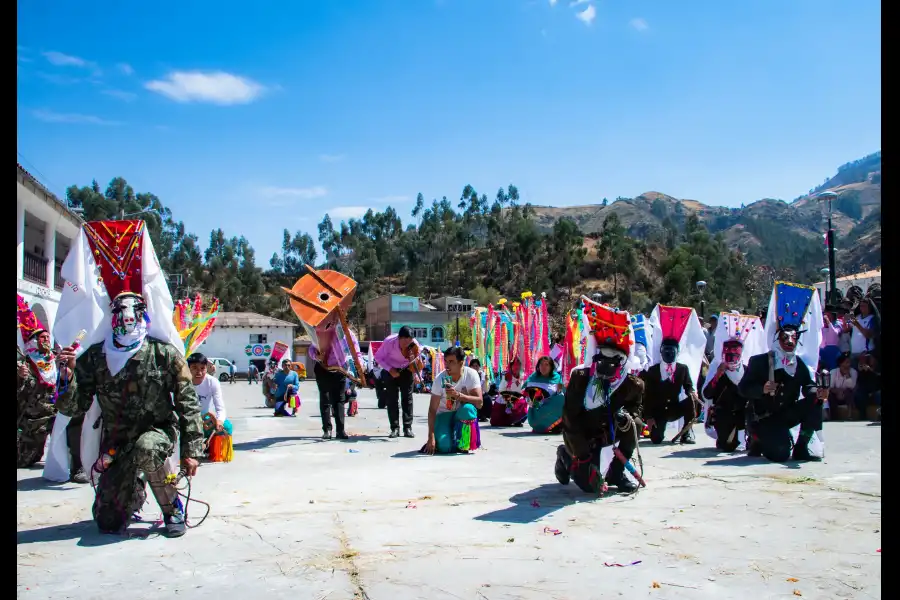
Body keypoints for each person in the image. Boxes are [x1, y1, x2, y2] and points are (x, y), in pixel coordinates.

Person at [51, 218, 204, 537]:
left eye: (131, 316)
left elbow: (188, 404)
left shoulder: (163, 354)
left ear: (143, 317)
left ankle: (171, 507)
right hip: (117, 441)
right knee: (107, 522)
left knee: (148, 449)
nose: (125, 323)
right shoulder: (95, 356)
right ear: (112, 318)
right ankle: (130, 494)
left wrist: (192, 450)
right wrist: (66, 377)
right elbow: (74, 406)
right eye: (119, 317)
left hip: (156, 432)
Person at [555, 300, 642, 495]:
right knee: (588, 487)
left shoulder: (632, 384)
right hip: (581, 438)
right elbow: (570, 419)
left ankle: (616, 473)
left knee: (635, 424)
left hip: (610, 436)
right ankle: (566, 457)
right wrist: (583, 455)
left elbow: (636, 409)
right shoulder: (580, 378)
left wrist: (625, 416)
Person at [740, 281, 827, 463]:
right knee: (780, 455)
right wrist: (762, 389)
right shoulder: (760, 362)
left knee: (815, 401)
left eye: (794, 338)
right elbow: (743, 388)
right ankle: (757, 439)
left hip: (786, 413)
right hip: (765, 418)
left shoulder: (798, 363)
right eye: (785, 337)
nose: (790, 342)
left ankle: (802, 447)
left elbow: (808, 385)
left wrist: (816, 392)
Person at [16, 296, 88, 483]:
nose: (47, 339)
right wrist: (20, 377)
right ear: (33, 341)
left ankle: (77, 466)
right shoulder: (24, 363)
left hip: (56, 413)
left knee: (74, 419)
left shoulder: (56, 360)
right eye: (42, 337)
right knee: (25, 460)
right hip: (34, 420)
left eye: (48, 336)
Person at [700, 312, 766, 452]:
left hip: (745, 412)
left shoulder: (748, 369)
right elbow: (707, 394)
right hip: (725, 413)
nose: (731, 359)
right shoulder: (717, 369)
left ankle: (752, 437)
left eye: (734, 355)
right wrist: (717, 375)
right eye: (728, 355)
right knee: (727, 446)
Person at [643, 304, 706, 445]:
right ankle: (656, 429)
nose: (669, 354)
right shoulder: (653, 371)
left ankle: (686, 432)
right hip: (658, 412)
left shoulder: (682, 369)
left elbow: (688, 386)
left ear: (677, 352)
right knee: (656, 439)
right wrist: (648, 417)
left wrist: (692, 393)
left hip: (675, 408)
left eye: (672, 351)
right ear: (661, 351)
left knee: (691, 400)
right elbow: (647, 396)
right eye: (666, 350)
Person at [422, 346, 483, 454]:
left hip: (460, 415)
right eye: (445, 361)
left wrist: (459, 396)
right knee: (445, 448)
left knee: (468, 409)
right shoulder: (440, 379)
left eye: (451, 361)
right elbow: (432, 410)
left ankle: (463, 443)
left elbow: (479, 403)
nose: (447, 365)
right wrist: (430, 436)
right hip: (443, 415)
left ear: (461, 363)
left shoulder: (471, 375)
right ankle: (444, 436)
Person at [308, 326, 361, 439]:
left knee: (339, 400)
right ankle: (327, 430)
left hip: (339, 368)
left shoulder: (348, 334)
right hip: (323, 367)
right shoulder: (321, 332)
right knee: (325, 399)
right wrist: (316, 355)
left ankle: (340, 431)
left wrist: (360, 367)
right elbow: (311, 349)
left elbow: (356, 352)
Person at [374, 326, 423, 438]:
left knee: (407, 398)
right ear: (398, 339)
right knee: (392, 399)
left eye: (409, 341)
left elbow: (416, 360)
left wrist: (416, 374)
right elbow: (378, 357)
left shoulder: (414, 344)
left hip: (406, 370)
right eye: (404, 341)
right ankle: (394, 428)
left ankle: (408, 428)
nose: (407, 345)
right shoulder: (389, 342)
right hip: (390, 369)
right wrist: (390, 369)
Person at [187, 353, 233, 462]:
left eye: (202, 368)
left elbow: (220, 407)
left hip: (206, 420)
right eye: (194, 368)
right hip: (187, 420)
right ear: (188, 368)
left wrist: (220, 421)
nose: (199, 372)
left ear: (207, 368)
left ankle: (214, 451)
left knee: (226, 426)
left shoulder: (212, 382)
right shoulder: (182, 382)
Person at [525, 356, 565, 433]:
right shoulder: (532, 377)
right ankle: (540, 425)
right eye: (541, 364)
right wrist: (532, 401)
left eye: (547, 364)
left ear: (551, 367)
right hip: (536, 410)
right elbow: (525, 393)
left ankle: (555, 424)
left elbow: (561, 393)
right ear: (538, 366)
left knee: (561, 398)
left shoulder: (557, 377)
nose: (544, 367)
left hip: (551, 408)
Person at [491, 356, 529, 426]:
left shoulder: (523, 376)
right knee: (496, 421)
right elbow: (501, 390)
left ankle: (517, 420)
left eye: (518, 364)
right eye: (514, 364)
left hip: (517, 400)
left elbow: (523, 390)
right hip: (505, 399)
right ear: (511, 366)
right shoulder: (506, 375)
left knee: (524, 404)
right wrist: (508, 399)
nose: (516, 366)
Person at [826, 353, 857, 420]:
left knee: (849, 392)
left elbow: (852, 386)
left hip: (847, 394)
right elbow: (830, 387)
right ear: (840, 364)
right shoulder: (833, 372)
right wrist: (838, 391)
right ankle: (834, 417)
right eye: (846, 363)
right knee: (830, 395)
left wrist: (848, 375)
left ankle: (849, 416)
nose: (848, 365)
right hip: (835, 394)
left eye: (849, 363)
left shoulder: (853, 372)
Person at [848, 298, 878, 365]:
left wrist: (857, 324)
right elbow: (847, 328)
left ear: (869, 307)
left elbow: (869, 335)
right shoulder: (857, 317)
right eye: (861, 306)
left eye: (864, 306)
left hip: (865, 353)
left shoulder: (872, 318)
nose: (862, 308)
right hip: (854, 352)